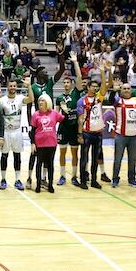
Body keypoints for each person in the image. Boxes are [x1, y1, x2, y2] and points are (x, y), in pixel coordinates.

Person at [26, 89, 63, 193]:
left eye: (42, 101)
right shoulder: (36, 114)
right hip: (39, 144)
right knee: (39, 164)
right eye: (39, 101)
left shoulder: (54, 113)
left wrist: (65, 110)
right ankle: (38, 184)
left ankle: (50, 184)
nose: (40, 103)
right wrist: (33, 143)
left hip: (51, 143)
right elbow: (32, 130)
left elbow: (63, 119)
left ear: (48, 102)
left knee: (50, 164)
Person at [55, 53, 84, 187]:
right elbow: (55, 115)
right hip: (63, 128)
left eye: (68, 82)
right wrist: (62, 112)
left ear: (72, 84)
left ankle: (74, 176)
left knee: (74, 153)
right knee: (62, 153)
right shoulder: (59, 98)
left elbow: (79, 77)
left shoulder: (76, 93)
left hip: (74, 128)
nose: (66, 84)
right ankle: (62, 176)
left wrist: (75, 62)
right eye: (64, 82)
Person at [0, 78, 27, 190]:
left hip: (17, 131)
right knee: (4, 156)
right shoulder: (2, 100)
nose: (12, 88)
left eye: (14, 86)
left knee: (17, 155)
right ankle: (3, 179)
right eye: (10, 86)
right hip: (5, 132)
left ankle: (17, 180)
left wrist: (28, 86)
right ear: (7, 87)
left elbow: (31, 99)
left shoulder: (20, 98)